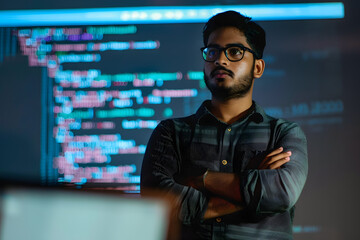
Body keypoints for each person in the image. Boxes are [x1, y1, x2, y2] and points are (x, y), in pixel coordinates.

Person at [141, 11, 308, 240]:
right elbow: (158, 203)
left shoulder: (284, 133)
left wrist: (201, 180)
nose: (220, 60)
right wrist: (253, 185)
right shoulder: (171, 132)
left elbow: (282, 193)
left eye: (235, 52)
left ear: (257, 68)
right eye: (213, 51)